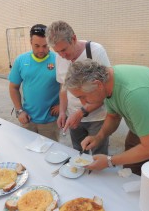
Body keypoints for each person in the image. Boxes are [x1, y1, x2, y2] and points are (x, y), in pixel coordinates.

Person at [64, 61, 149, 175]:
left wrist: (109, 161)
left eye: (83, 97)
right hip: (143, 128)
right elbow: (113, 116)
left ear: (97, 85)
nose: (82, 103)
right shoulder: (107, 82)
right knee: (130, 174)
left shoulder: (134, 94)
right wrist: (99, 137)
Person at [45, 20, 110, 154]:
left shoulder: (95, 51)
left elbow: (106, 90)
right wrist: (63, 112)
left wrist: (80, 113)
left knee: (98, 154)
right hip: (73, 117)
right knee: (78, 153)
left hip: (97, 118)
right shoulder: (59, 57)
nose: (62, 56)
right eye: (57, 52)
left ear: (73, 39)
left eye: (64, 50)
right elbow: (63, 87)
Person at [8, 24, 60, 141]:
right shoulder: (21, 60)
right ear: (30, 41)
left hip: (50, 122)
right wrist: (19, 111)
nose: (41, 50)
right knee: (27, 153)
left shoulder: (59, 59)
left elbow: (68, 86)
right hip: (28, 119)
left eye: (45, 46)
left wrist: (62, 106)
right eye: (37, 46)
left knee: (49, 155)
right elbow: (13, 87)